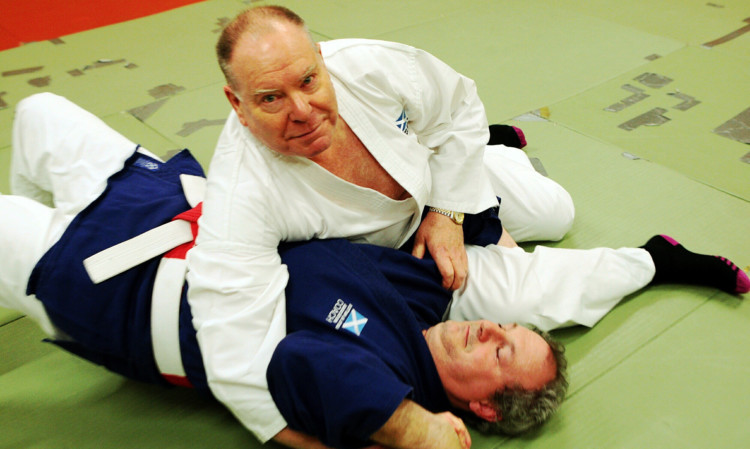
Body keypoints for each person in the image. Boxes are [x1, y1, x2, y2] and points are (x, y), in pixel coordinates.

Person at [3, 93, 748, 449]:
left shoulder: (377, 383)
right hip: (165, 198)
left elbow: (303, 361)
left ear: (483, 410)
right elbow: (481, 258)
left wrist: (416, 430)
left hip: (116, 286)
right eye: (507, 333)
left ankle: (28, 272)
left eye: (498, 355)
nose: (490, 331)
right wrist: (458, 203)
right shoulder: (426, 296)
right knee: (38, 115)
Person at [191, 6, 576, 443]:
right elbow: (231, 353)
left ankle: (495, 149)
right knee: (523, 284)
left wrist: (448, 211)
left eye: (307, 80)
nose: (302, 110)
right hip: (393, 257)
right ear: (237, 104)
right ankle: (650, 260)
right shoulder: (240, 193)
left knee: (558, 212)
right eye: (270, 98)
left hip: (435, 186)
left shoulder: (366, 65)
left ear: (321, 58)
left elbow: (460, 101)